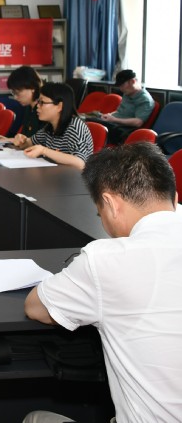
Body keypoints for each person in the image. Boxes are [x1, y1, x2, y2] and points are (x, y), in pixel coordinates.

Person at [24, 142, 182, 422]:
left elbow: (36, 308)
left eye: (100, 213)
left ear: (110, 204)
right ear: (175, 197)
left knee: (36, 418)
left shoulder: (108, 260)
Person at [13, 82, 93, 170]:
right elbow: (30, 143)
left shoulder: (75, 127)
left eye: (42, 102)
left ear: (59, 106)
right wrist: (22, 140)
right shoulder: (50, 126)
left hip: (75, 178)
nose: (37, 106)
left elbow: (80, 163)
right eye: (38, 102)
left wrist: (44, 150)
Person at [99, 69, 155, 144]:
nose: (121, 89)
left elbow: (138, 122)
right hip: (114, 123)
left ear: (132, 81)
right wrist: (110, 115)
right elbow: (120, 111)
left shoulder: (144, 99)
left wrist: (114, 119)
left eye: (122, 85)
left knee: (93, 128)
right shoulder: (127, 94)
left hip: (122, 130)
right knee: (89, 121)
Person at [0, 65, 44, 138]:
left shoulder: (42, 110)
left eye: (18, 93)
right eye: (14, 93)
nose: (15, 97)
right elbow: (24, 139)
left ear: (32, 87)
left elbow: (33, 141)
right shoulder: (29, 108)